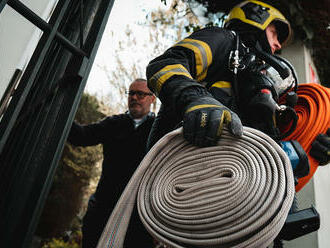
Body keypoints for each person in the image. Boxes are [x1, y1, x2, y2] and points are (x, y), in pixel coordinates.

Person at [146, 0, 329, 165]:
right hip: (187, 165)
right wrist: (196, 100)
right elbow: (166, 65)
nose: (278, 45)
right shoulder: (225, 40)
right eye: (274, 34)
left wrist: (314, 147)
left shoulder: (261, 78)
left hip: (244, 180)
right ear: (257, 19)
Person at [67, 78, 156, 248]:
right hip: (103, 206)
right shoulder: (114, 124)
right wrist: (61, 108)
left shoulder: (159, 129)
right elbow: (82, 136)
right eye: (131, 93)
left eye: (140, 94)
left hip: (139, 213)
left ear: (153, 98)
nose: (134, 97)